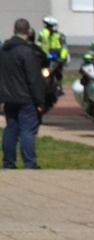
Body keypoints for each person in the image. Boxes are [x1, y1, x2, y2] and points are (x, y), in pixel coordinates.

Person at [0, 18, 46, 169]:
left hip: (8, 98)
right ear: (28, 32)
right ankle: (30, 164)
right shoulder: (28, 52)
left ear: (14, 30)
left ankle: (8, 163)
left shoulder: (4, 50)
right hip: (26, 98)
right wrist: (40, 101)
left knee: (11, 130)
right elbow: (34, 79)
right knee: (27, 131)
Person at [36, 16, 69, 90]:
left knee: (57, 70)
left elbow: (64, 48)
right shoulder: (44, 34)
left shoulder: (60, 35)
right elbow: (40, 44)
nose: (47, 28)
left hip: (57, 57)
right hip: (46, 56)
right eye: (47, 26)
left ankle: (59, 86)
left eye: (49, 26)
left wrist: (62, 58)